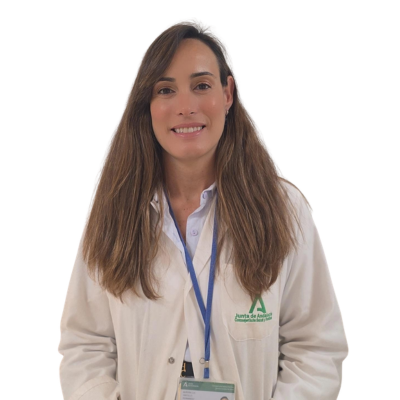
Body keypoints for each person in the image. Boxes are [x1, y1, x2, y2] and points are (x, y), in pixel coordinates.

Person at [58, 21, 348, 400]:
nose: (186, 107)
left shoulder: (283, 209)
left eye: (202, 86)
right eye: (166, 90)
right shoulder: (117, 211)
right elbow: (85, 344)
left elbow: (315, 347)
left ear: (227, 94)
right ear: (148, 105)